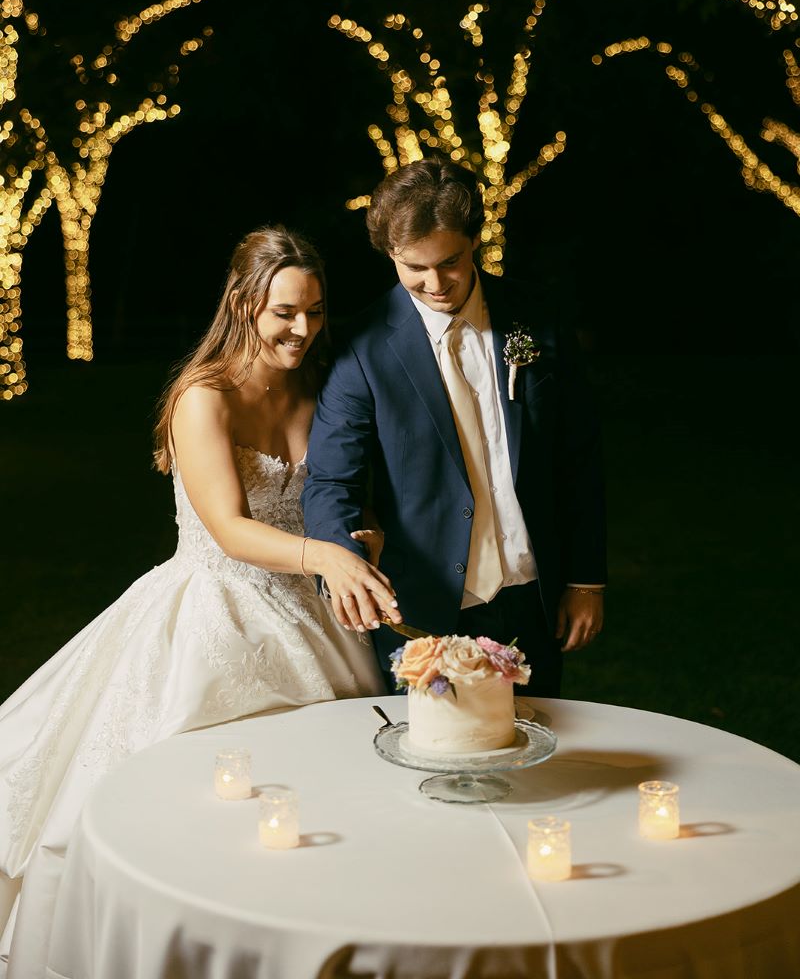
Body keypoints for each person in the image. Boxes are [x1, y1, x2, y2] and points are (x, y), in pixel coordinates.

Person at [0, 224, 398, 979]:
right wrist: (327, 557)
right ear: (244, 303)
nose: (303, 329)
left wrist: (361, 537)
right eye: (285, 312)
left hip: (315, 615)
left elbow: (340, 502)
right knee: (194, 804)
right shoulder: (201, 396)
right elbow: (231, 528)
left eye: (314, 311)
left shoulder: (320, 385)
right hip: (216, 608)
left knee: (324, 795)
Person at [302, 155, 607, 695]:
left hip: (533, 594)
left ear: (475, 242)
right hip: (424, 606)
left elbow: (576, 454)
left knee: (538, 762)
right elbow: (331, 481)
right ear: (389, 254)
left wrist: (585, 579)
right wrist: (341, 561)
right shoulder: (361, 348)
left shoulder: (537, 317)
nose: (435, 282)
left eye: (450, 261)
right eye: (413, 267)